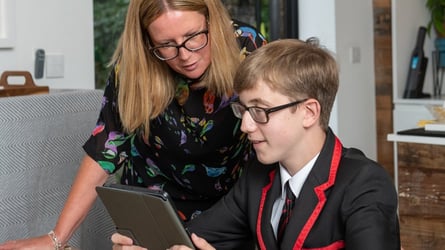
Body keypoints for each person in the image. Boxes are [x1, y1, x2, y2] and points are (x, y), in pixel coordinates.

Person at [0, 0, 266, 249]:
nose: (185, 55)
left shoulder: (247, 47)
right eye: (166, 45)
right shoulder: (134, 65)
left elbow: (277, 133)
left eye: (194, 36)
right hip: (154, 208)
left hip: (231, 207)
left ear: (212, 21)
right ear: (147, 41)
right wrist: (56, 238)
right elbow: (105, 148)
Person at [111, 38, 401, 250]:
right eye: (243, 110)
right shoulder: (257, 176)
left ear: (309, 112)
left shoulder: (365, 184)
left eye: (260, 111)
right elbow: (190, 239)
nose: (246, 126)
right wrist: (148, 246)